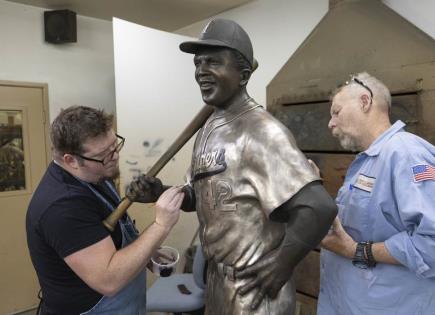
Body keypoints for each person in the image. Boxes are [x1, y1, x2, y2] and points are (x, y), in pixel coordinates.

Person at [135, 19, 337, 314]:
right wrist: (160, 191)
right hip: (217, 283)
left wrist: (281, 264)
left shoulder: (263, 132)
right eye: (198, 63)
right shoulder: (208, 128)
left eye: (213, 62)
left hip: (254, 292)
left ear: (243, 75)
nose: (201, 71)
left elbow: (319, 207)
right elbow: (205, 196)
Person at [26, 105, 184, 315]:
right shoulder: (62, 207)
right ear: (71, 160)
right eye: (103, 155)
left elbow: (107, 237)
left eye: (114, 146)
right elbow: (108, 280)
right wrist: (161, 226)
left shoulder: (94, 175)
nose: (115, 157)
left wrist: (146, 254)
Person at [317, 72, 435, 315]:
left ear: (364, 101)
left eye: (336, 112)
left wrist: (357, 251)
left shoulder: (406, 154)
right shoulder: (368, 161)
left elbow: (431, 243)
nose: (330, 123)